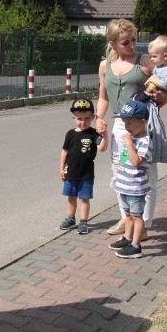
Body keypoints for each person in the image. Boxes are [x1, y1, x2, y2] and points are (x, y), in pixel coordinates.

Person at [96, 19, 167, 239]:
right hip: (120, 124)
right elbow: (103, 97)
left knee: (146, 174)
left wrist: (162, 97)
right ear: (113, 43)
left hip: (143, 125)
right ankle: (126, 218)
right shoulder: (105, 66)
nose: (132, 45)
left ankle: (144, 225)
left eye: (134, 40)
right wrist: (98, 118)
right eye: (126, 42)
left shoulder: (146, 61)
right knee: (121, 172)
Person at [107, 100, 153, 259]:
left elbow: (135, 162)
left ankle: (136, 246)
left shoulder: (144, 141)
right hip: (124, 186)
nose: (126, 127)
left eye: (130, 123)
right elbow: (124, 160)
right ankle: (127, 239)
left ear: (142, 122)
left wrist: (128, 143)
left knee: (136, 216)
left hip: (136, 188)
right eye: (124, 123)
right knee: (127, 215)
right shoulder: (131, 138)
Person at [59, 98, 108, 235]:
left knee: (84, 198)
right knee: (71, 196)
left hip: (86, 174)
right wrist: (61, 168)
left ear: (93, 117)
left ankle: (83, 221)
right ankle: (70, 218)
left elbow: (102, 148)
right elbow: (64, 152)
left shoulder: (93, 134)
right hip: (71, 173)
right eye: (79, 118)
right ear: (73, 117)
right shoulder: (70, 134)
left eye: (87, 118)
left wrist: (105, 135)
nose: (83, 122)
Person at [142, 36, 167, 106]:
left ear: (165, 56)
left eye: (154, 56)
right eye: (150, 56)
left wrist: (151, 79)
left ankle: (141, 100)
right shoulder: (160, 64)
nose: (151, 59)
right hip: (157, 89)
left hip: (164, 94)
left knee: (148, 91)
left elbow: (165, 85)